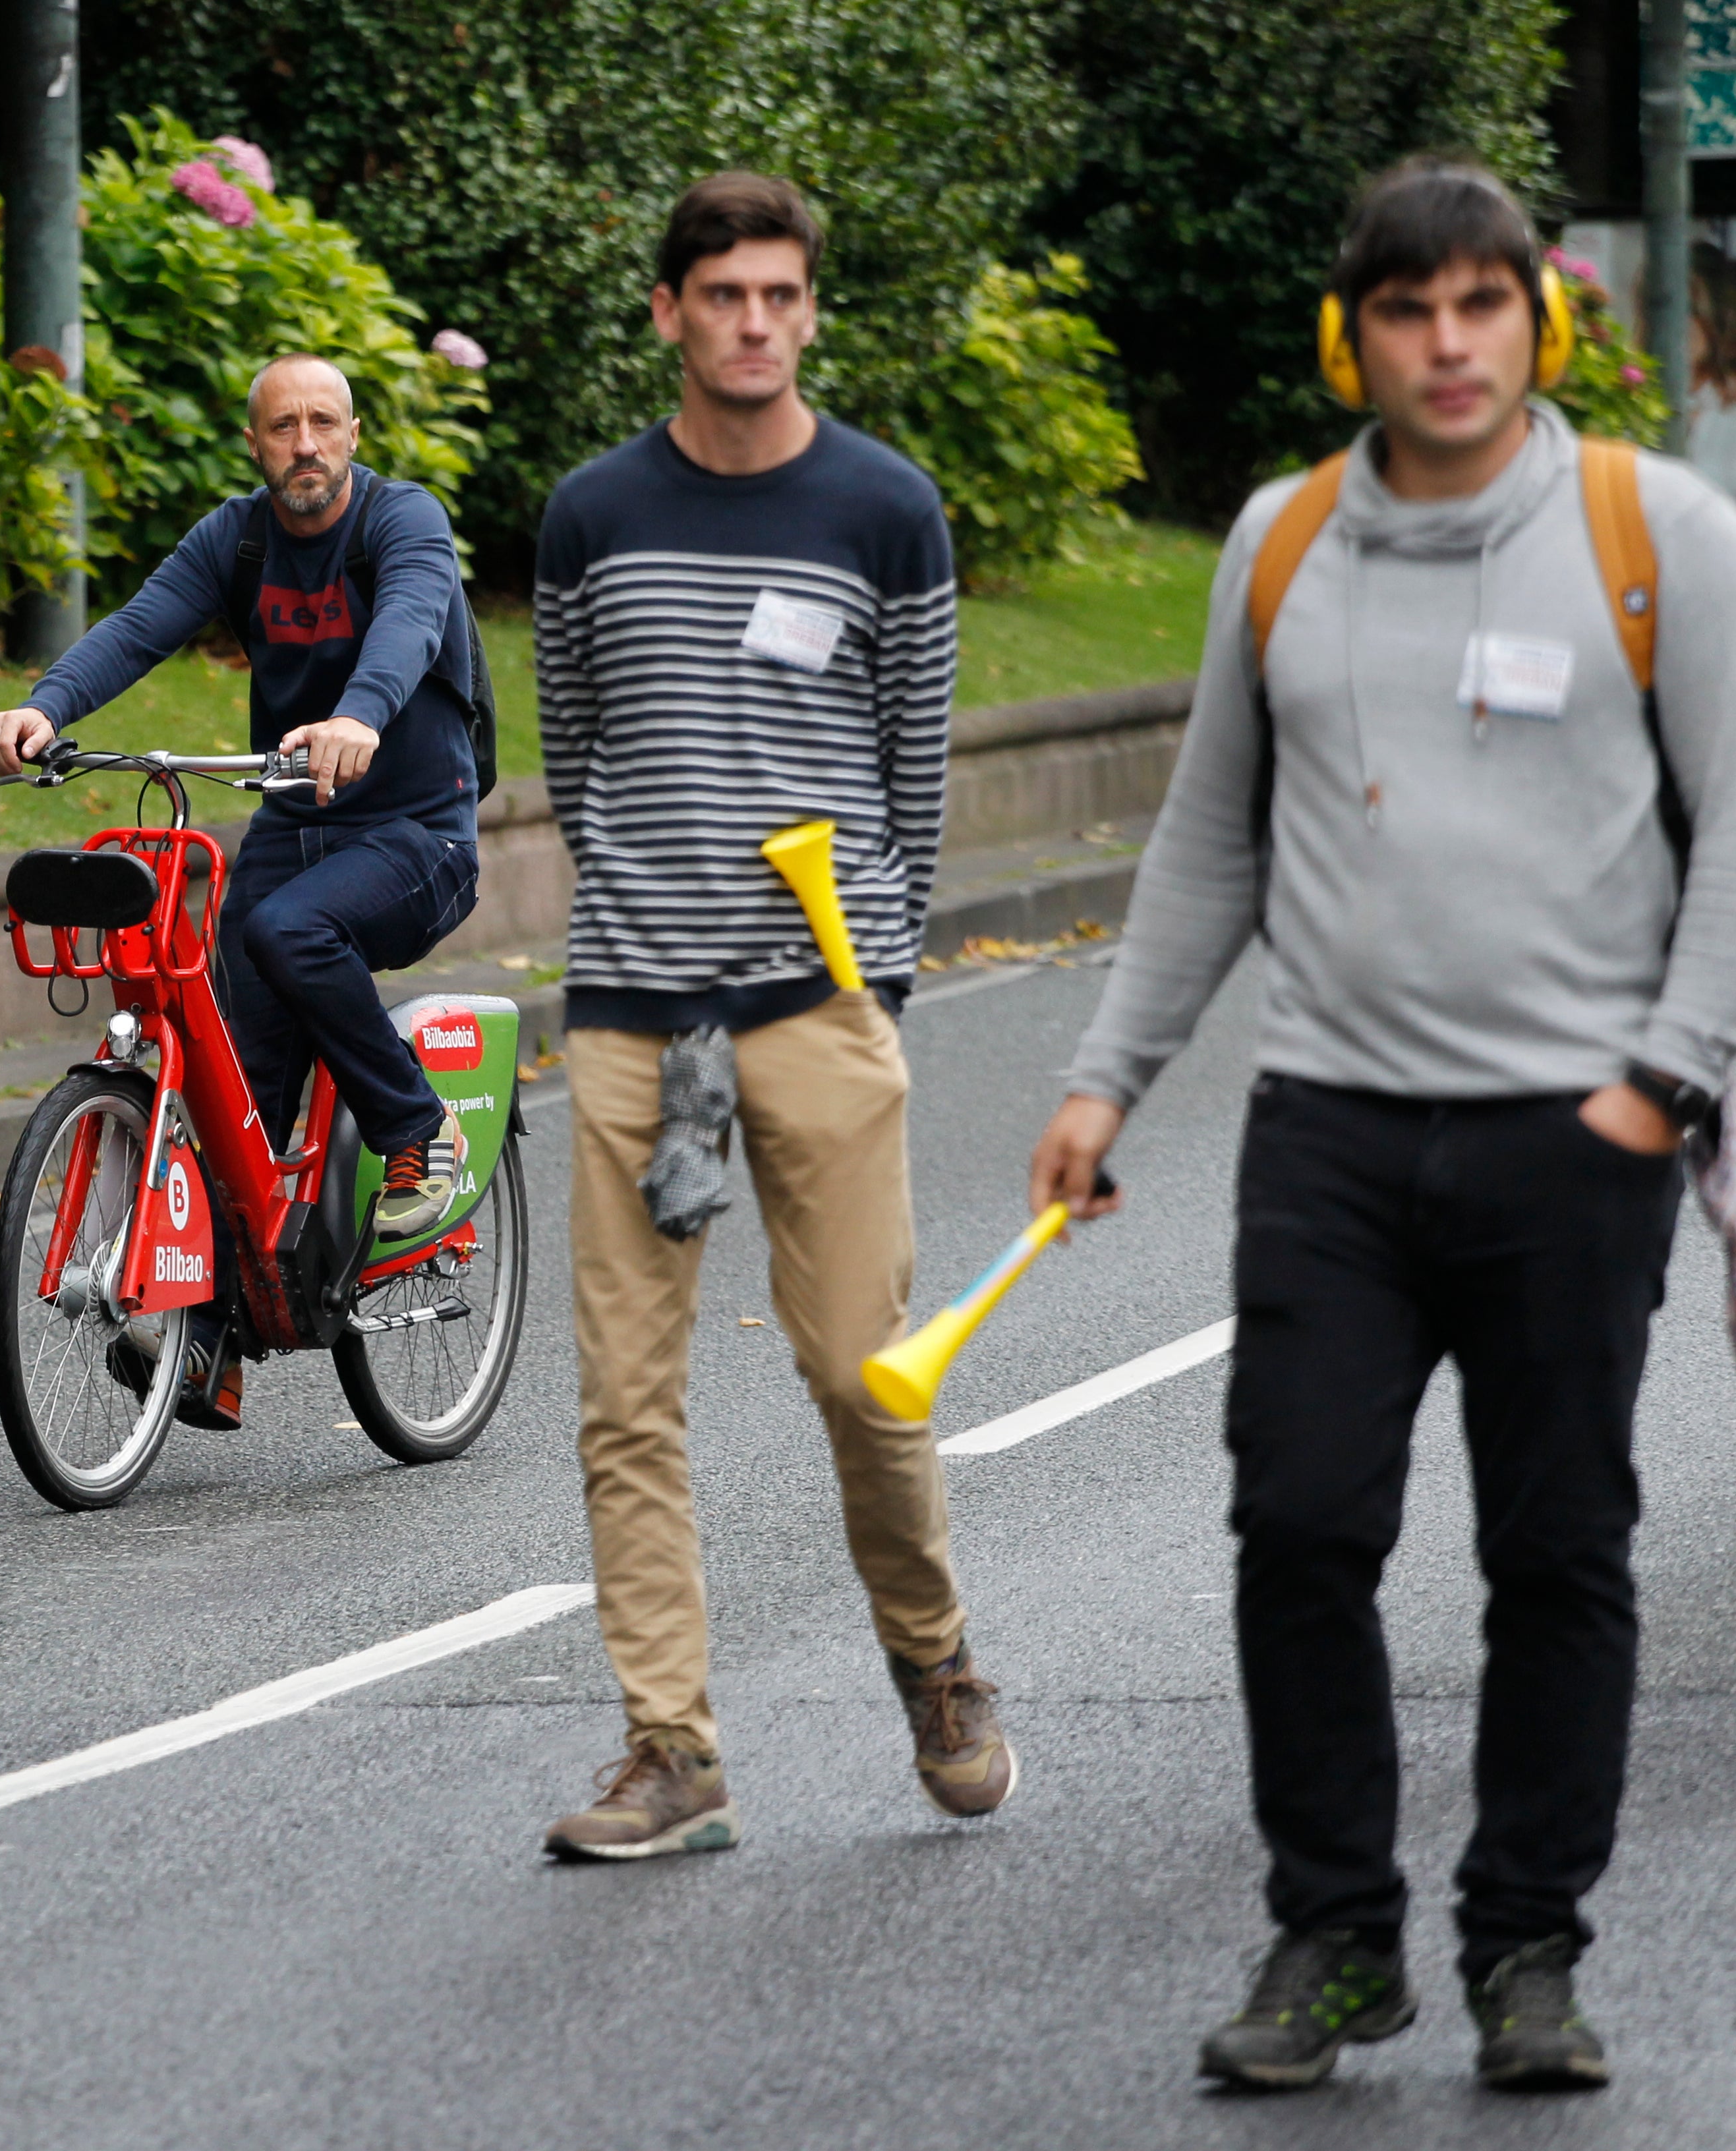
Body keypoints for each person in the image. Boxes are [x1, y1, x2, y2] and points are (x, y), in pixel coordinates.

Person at [1028, 159, 1736, 2093]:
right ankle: (1335, 1932)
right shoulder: (1283, 541)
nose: (1448, 344)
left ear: (1542, 321)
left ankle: (1530, 1952)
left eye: (1483, 305)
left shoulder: (1650, 528)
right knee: (1301, 1526)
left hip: (1567, 1145)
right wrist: (1104, 1078)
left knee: (1559, 1552)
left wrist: (1657, 1085)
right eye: (1408, 311)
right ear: (1354, 334)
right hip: (1330, 1134)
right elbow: (1205, 845)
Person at [532, 171, 1010, 1862]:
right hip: (626, 1017)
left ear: (811, 311)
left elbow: (910, 772)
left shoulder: (887, 509)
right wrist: (653, 926)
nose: (750, 322)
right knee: (626, 1398)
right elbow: (575, 759)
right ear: (668, 311)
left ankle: (936, 1666)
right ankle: (673, 1748)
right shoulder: (590, 513)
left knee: (863, 1378)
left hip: (821, 1007)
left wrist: (864, 982)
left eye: (778, 296)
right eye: (719, 295)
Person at [0, 353, 488, 1424]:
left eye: (323, 423)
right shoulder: (239, 538)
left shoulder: (406, 522)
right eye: (282, 428)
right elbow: (139, 624)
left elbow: (408, 623)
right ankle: (212, 1335)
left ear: (352, 434)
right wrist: (46, 707)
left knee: (290, 933)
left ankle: (415, 1131)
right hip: (296, 820)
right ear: (255, 446)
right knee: (225, 1070)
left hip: (416, 830)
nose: (304, 444)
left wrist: (361, 716)